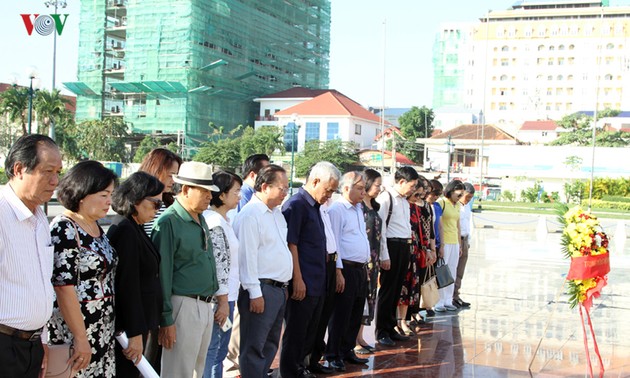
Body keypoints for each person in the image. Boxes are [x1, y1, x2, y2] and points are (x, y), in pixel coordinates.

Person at [48, 160, 119, 377]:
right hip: (76, 333)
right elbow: (63, 286)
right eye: (104, 195)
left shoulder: (95, 226)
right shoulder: (65, 228)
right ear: (82, 193)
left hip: (102, 330)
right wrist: (80, 338)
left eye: (111, 195)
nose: (109, 201)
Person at [151, 161, 222, 376]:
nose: (210, 196)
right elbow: (162, 274)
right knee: (177, 371)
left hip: (204, 304)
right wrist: (166, 318)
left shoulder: (200, 217)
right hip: (182, 305)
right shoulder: (169, 222)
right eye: (204, 191)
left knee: (196, 371)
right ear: (185, 189)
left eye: (210, 191)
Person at [0, 135, 62, 378]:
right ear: (19, 169)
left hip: (32, 346)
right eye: (47, 171)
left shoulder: (39, 219)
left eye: (58, 172)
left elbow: (41, 283)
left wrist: (41, 338)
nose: (55, 181)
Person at [280, 162, 340, 378]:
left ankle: (301, 367)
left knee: (310, 330)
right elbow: (291, 244)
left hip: (318, 280)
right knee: (296, 331)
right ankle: (289, 372)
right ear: (315, 181)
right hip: (303, 281)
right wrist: (297, 278)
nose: (330, 195)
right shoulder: (296, 205)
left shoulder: (315, 206)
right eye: (328, 190)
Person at [233, 165, 293, 378]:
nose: (285, 193)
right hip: (261, 288)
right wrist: (254, 293)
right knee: (254, 345)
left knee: (270, 343)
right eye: (282, 188)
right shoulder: (251, 215)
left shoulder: (276, 214)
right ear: (265, 187)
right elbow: (246, 257)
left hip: (278, 289)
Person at [108, 171, 165, 375]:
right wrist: (134, 333)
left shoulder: (135, 227)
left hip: (143, 323)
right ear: (136, 199)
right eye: (155, 203)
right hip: (131, 329)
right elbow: (127, 286)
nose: (158, 210)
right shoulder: (125, 229)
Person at [225, 154, 269, 378]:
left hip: (246, 273)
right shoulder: (245, 200)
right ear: (254, 175)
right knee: (236, 322)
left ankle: (239, 364)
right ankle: (232, 366)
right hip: (240, 274)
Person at [325, 172, 371, 371]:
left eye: (363, 188)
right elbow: (334, 243)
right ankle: (333, 353)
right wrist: (338, 271)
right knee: (341, 314)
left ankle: (347, 349)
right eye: (359, 189)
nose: (363, 192)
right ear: (346, 188)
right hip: (346, 269)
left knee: (355, 312)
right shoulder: (337, 209)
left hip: (360, 268)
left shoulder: (359, 208)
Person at [203, 171, 243, 378]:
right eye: (236, 191)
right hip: (221, 299)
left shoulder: (223, 220)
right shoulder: (214, 223)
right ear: (221, 194)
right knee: (214, 351)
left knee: (218, 351)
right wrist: (222, 302)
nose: (239, 196)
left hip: (228, 296)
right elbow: (219, 266)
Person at [375, 166, 419, 347]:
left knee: (397, 290)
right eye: (412, 185)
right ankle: (381, 331)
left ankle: (391, 326)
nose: (413, 189)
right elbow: (381, 228)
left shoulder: (404, 201)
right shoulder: (386, 198)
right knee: (387, 290)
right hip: (391, 246)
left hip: (403, 246)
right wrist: (384, 255)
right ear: (401, 182)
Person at [308, 197, 344, 374]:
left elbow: (333, 243)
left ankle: (314, 359)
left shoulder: (324, 209)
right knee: (312, 318)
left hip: (331, 263)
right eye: (327, 190)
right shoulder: (303, 206)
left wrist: (337, 270)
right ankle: (305, 362)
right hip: (317, 265)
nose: (329, 195)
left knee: (323, 315)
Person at [355, 168, 382, 355]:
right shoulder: (358, 207)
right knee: (359, 299)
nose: (379, 188)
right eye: (377, 185)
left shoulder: (375, 207)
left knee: (370, 298)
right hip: (363, 260)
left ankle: (360, 336)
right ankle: (353, 340)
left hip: (375, 259)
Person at [434, 180, 465, 313]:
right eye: (458, 194)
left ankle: (448, 299)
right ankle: (439, 301)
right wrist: (441, 243)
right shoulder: (442, 203)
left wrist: (459, 245)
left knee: (452, 270)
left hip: (454, 241)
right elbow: (438, 223)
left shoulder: (457, 205)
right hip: (445, 241)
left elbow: (458, 225)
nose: (460, 197)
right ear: (451, 191)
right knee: (443, 271)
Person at [138, 148, 183, 235]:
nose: (173, 181)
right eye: (170, 176)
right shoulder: (139, 202)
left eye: (175, 176)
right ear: (156, 171)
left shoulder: (171, 202)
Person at [453, 182, 475, 309]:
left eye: (470, 198)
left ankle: (456, 295)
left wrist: (468, 241)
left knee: (460, 270)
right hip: (456, 240)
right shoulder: (455, 206)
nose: (468, 200)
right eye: (467, 197)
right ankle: (449, 297)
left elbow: (468, 225)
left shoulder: (466, 207)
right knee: (452, 269)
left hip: (465, 240)